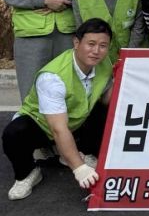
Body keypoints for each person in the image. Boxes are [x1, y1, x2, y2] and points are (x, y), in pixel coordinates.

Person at [2, 18, 114, 200]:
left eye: (103, 46)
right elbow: (58, 128)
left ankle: (78, 152)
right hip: (44, 126)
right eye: (91, 44)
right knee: (14, 134)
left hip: (75, 119)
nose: (96, 51)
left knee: (107, 109)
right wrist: (79, 169)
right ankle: (28, 173)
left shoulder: (104, 62)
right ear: (76, 43)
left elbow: (107, 98)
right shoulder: (52, 77)